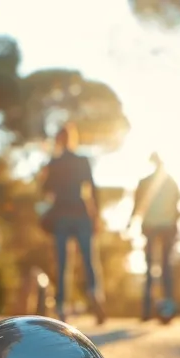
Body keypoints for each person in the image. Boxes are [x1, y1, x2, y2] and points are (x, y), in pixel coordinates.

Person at [39, 123, 106, 324]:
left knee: (63, 263)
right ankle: (95, 293)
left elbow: (45, 190)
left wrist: (48, 170)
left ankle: (62, 306)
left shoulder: (54, 162)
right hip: (81, 212)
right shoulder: (82, 160)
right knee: (89, 259)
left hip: (61, 215)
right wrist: (96, 215)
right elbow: (92, 188)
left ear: (58, 140)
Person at [129, 152, 180, 321]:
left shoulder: (145, 181)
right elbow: (177, 205)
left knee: (150, 268)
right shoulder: (171, 182)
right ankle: (167, 311)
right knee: (165, 268)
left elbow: (137, 204)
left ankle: (147, 311)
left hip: (152, 226)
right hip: (165, 227)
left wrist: (131, 221)